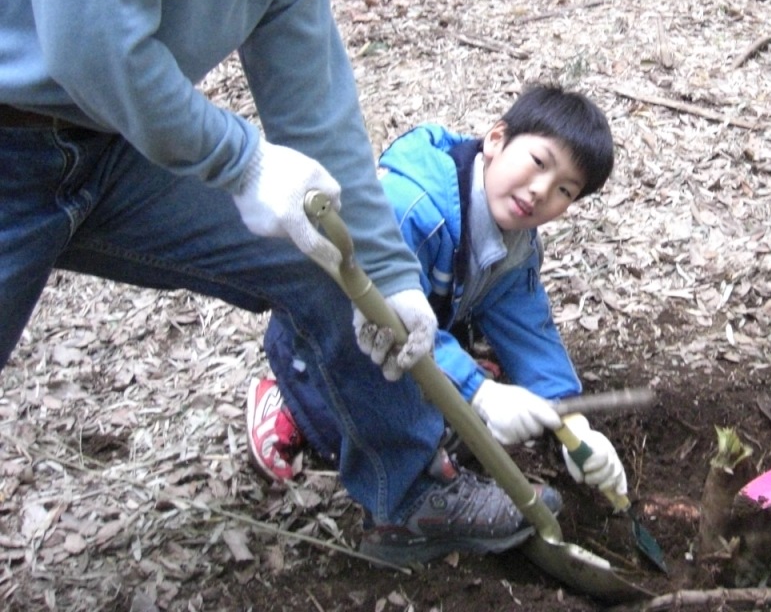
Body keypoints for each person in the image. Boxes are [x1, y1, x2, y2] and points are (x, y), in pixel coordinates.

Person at [0, 0, 558, 567]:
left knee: (325, 259)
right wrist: (243, 162)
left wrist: (392, 278)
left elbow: (315, 104)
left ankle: (409, 494)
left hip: (115, 148)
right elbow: (94, 45)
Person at [246, 83, 629, 564]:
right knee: (364, 429)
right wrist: (477, 392)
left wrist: (572, 422)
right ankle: (293, 403)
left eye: (565, 190)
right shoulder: (412, 209)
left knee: (458, 415)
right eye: (538, 162)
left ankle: (429, 411)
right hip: (335, 343)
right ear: (496, 139)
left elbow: (528, 327)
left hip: (413, 340)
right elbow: (379, 318)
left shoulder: (516, 242)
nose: (541, 191)